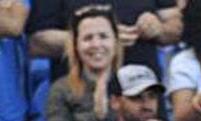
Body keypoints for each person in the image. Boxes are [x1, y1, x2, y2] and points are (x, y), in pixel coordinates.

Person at [27, 0, 181, 81]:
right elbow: (36, 43)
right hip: (79, 102)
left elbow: (176, 27)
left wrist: (160, 28)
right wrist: (95, 38)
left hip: (142, 99)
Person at [45, 5, 121, 121]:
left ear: (116, 41)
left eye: (103, 36)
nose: (96, 44)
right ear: (75, 45)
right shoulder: (61, 90)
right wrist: (97, 119)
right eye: (88, 38)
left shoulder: (132, 82)